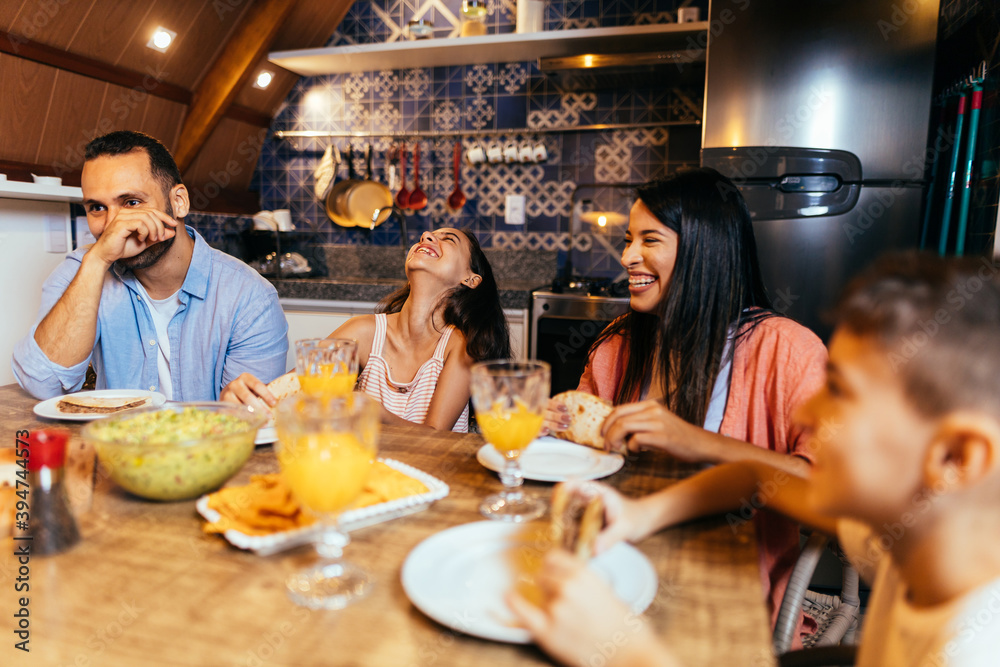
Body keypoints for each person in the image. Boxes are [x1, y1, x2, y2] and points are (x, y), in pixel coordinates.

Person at [510, 252, 1000, 667]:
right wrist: (641, 514)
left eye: (840, 392)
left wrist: (627, 653)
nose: (806, 410)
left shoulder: (974, 647)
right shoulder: (911, 532)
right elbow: (754, 476)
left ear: (956, 457)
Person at [545, 169, 827, 634]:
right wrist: (553, 428)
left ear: (704, 248)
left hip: (721, 592)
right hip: (615, 559)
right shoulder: (616, 344)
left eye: (649, 240)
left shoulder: (787, 351)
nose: (628, 256)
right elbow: (585, 446)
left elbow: (831, 492)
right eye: (629, 240)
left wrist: (695, 441)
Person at [11, 131, 288, 401]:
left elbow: (249, 421)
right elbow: (43, 384)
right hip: (114, 446)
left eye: (131, 202)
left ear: (178, 202)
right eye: (97, 208)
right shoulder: (81, 271)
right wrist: (97, 261)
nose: (113, 225)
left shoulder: (250, 298)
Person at [222, 227, 511, 432]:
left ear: (470, 280)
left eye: (448, 239)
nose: (427, 236)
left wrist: (376, 414)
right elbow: (291, 390)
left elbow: (436, 435)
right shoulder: (362, 332)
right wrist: (244, 402)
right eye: (427, 235)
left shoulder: (460, 345)